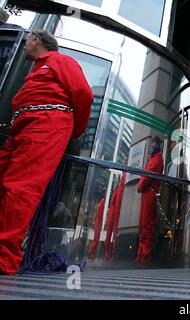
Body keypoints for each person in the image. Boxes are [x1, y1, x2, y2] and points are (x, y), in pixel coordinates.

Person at [0, 29, 93, 274]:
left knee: (21, 187)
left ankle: (4, 257)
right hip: (21, 129)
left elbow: (83, 94)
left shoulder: (61, 61)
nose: (23, 46)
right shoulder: (36, 69)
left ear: (37, 40)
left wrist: (73, 131)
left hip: (46, 124)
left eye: (27, 41)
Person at [136, 136, 164, 264]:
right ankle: (141, 253)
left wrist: (140, 186)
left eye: (155, 143)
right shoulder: (153, 158)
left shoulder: (157, 158)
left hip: (149, 192)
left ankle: (145, 255)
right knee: (143, 224)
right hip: (147, 192)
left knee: (147, 225)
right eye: (152, 142)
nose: (152, 145)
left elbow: (148, 174)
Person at [104, 172, 126, 261]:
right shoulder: (117, 190)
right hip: (117, 192)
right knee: (110, 227)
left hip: (120, 190)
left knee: (115, 227)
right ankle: (109, 254)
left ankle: (113, 254)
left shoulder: (120, 188)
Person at [88, 192, 106, 260]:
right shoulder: (102, 202)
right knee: (96, 239)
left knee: (96, 239)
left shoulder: (100, 202)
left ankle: (92, 252)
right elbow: (100, 214)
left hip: (98, 222)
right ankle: (91, 252)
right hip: (98, 222)